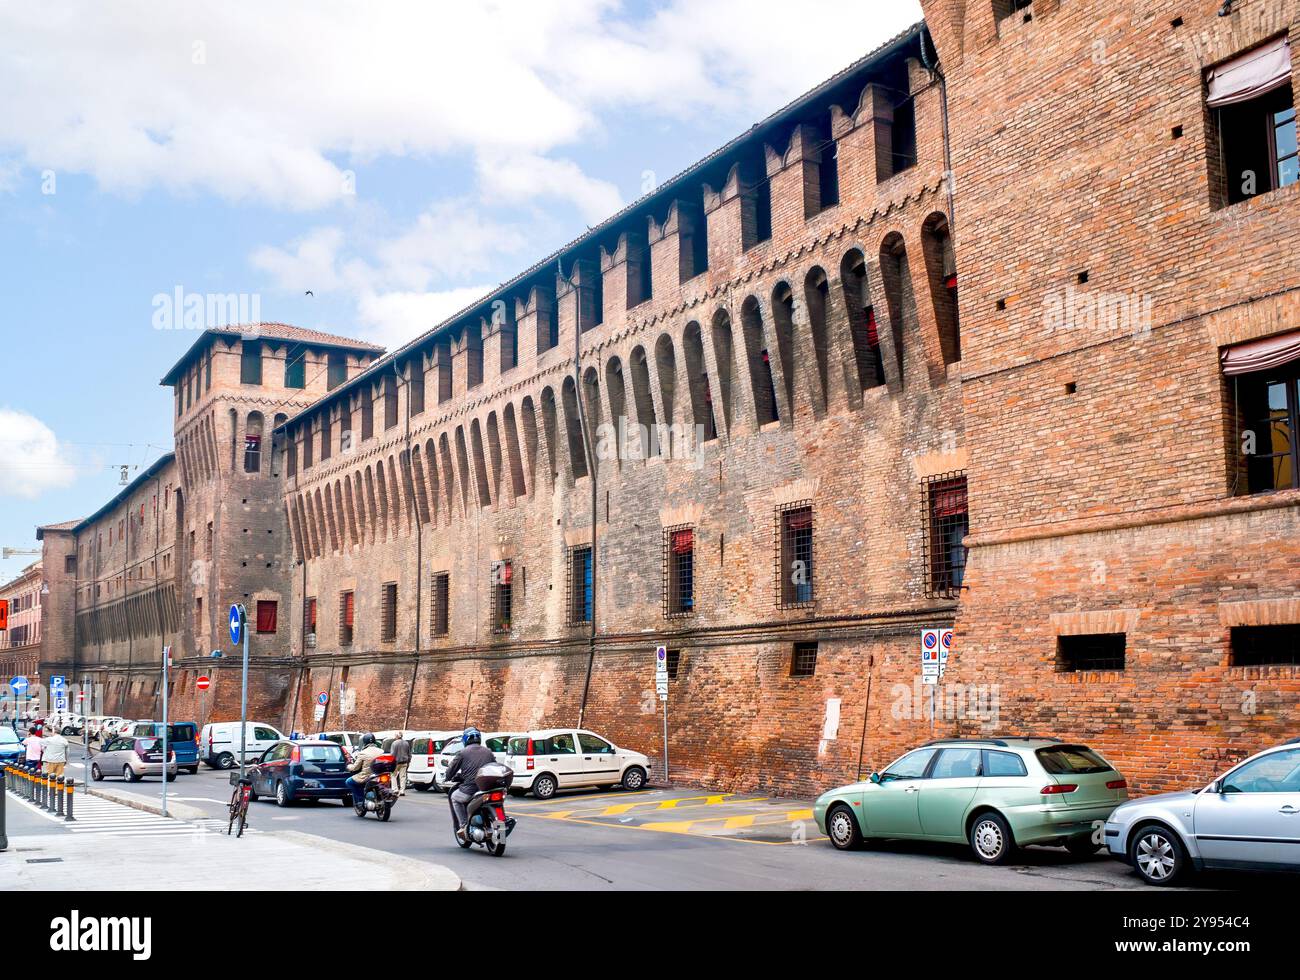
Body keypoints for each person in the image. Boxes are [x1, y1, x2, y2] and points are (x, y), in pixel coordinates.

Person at [445, 727, 495, 841]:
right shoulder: (488, 752)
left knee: (455, 797)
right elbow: (494, 766)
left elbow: (451, 770)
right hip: (488, 787)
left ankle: (463, 825)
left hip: (470, 789)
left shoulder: (462, 753)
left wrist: (447, 777)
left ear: (465, 739)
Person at [343, 733, 383, 809]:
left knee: (349, 782)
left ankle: (361, 800)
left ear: (365, 742)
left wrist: (348, 766)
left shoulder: (362, 753)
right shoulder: (381, 751)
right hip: (379, 775)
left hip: (366, 776)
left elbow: (355, 768)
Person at [390, 731, 412, 796]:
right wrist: (409, 761)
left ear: (397, 736)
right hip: (404, 762)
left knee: (393, 775)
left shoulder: (394, 743)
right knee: (403, 777)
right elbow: (409, 754)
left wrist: (391, 762)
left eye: (395, 735)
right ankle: (402, 790)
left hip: (396, 762)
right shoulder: (406, 743)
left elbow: (392, 754)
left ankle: (395, 789)